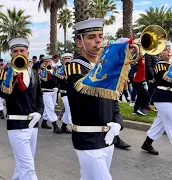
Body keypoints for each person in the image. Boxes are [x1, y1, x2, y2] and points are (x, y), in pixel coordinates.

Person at [67, 18, 124, 180]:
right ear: (79, 43)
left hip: (108, 138)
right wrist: (115, 55)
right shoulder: (74, 67)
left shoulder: (105, 67)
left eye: (100, 36)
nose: (98, 40)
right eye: (91, 37)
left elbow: (114, 99)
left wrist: (118, 123)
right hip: (88, 139)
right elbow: (87, 90)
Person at [0, 38, 44, 180]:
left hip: (33, 124)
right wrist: (10, 78)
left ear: (27, 53)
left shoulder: (34, 73)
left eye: (22, 50)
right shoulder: (6, 72)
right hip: (16, 124)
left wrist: (39, 112)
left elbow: (39, 97)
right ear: (11, 54)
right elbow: (2, 94)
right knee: (28, 168)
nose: (19, 53)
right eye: (15, 51)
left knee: (22, 166)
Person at [141, 42, 172, 155]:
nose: (168, 51)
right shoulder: (160, 65)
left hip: (169, 97)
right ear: (160, 53)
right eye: (165, 49)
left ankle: (147, 143)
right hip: (162, 97)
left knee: (160, 123)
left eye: (169, 49)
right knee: (170, 123)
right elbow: (165, 78)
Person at [39, 55, 62, 133]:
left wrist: (57, 87)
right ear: (44, 63)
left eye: (49, 61)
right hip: (46, 92)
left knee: (48, 108)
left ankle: (44, 122)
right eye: (45, 61)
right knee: (50, 108)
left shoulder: (55, 70)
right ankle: (55, 126)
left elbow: (58, 80)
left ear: (51, 61)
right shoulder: (42, 71)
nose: (47, 63)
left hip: (54, 91)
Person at [57, 53, 73, 133]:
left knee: (67, 110)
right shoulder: (60, 69)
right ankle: (71, 125)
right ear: (62, 60)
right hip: (64, 92)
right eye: (65, 59)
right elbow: (60, 80)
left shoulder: (74, 68)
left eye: (68, 58)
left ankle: (63, 125)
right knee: (69, 109)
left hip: (73, 92)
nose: (67, 60)